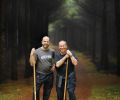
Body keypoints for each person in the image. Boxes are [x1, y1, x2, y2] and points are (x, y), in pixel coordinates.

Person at [29, 36, 55, 100]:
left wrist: (54, 65)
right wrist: (31, 54)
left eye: (47, 41)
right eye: (44, 41)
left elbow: (54, 60)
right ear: (42, 42)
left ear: (49, 42)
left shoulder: (52, 51)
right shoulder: (37, 51)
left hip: (49, 75)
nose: (46, 43)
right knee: (36, 91)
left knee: (47, 92)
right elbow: (32, 64)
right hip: (39, 75)